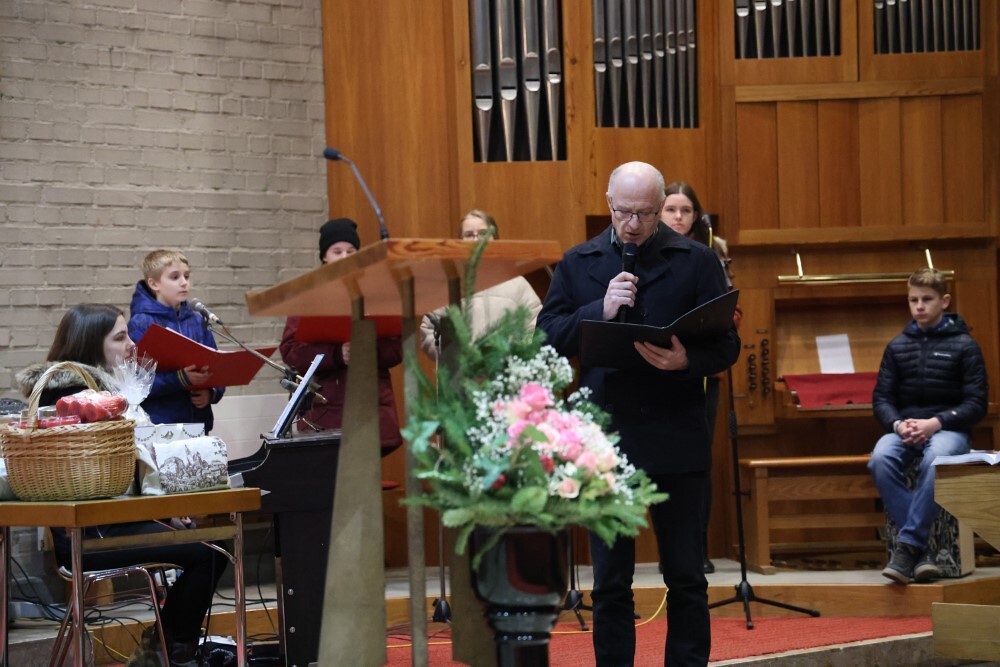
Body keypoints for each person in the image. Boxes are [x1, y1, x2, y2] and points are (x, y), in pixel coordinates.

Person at [537, 161, 740, 666]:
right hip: (606, 441)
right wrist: (599, 311)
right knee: (610, 581)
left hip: (676, 433)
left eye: (645, 214)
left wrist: (686, 361)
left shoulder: (696, 260)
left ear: (660, 208)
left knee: (686, 576)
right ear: (609, 203)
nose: (632, 224)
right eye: (624, 212)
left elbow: (727, 344)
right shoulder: (579, 261)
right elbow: (546, 335)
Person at [15, 304, 229, 667]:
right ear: (90, 345)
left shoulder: (109, 392)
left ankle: (164, 649)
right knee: (210, 553)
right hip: (91, 533)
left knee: (210, 547)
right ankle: (168, 652)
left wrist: (165, 512)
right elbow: (102, 481)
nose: (132, 344)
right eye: (120, 337)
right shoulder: (72, 400)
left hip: (116, 522)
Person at [868, 268, 988, 584]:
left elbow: (977, 404)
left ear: (944, 301)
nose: (919, 306)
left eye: (926, 299)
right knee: (880, 458)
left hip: (948, 429)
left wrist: (936, 423)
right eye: (913, 300)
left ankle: (908, 547)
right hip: (906, 428)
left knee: (936, 460)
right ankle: (922, 553)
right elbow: (881, 399)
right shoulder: (897, 346)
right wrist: (897, 425)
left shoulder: (965, 345)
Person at [660, 181, 740, 576]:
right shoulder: (648, 251)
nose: (678, 217)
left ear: (696, 216)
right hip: (654, 367)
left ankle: (698, 545)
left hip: (700, 369)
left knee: (698, 461)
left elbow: (732, 311)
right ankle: (667, 547)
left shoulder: (712, 252)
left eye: (685, 210)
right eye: (671, 209)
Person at [279, 218, 403, 454]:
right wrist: (336, 354)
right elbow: (290, 350)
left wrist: (369, 349)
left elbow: (397, 346)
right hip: (327, 410)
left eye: (351, 251)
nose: (345, 257)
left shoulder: (376, 294)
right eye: (337, 252)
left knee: (367, 472)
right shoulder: (309, 296)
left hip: (372, 407)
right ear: (325, 257)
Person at [419, 210, 543, 360]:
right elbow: (429, 330)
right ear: (460, 242)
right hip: (460, 372)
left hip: (506, 370)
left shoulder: (517, 283)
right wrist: (454, 358)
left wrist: (515, 358)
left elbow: (535, 325)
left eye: (483, 233)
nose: (476, 239)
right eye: (469, 235)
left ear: (495, 239)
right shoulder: (447, 286)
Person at [128, 249, 224, 433]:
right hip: (160, 425)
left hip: (198, 423)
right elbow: (136, 384)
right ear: (154, 283)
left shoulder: (197, 320)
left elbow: (216, 366)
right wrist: (180, 378)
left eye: (186, 276)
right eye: (174, 277)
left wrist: (211, 393)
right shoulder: (140, 323)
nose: (184, 282)